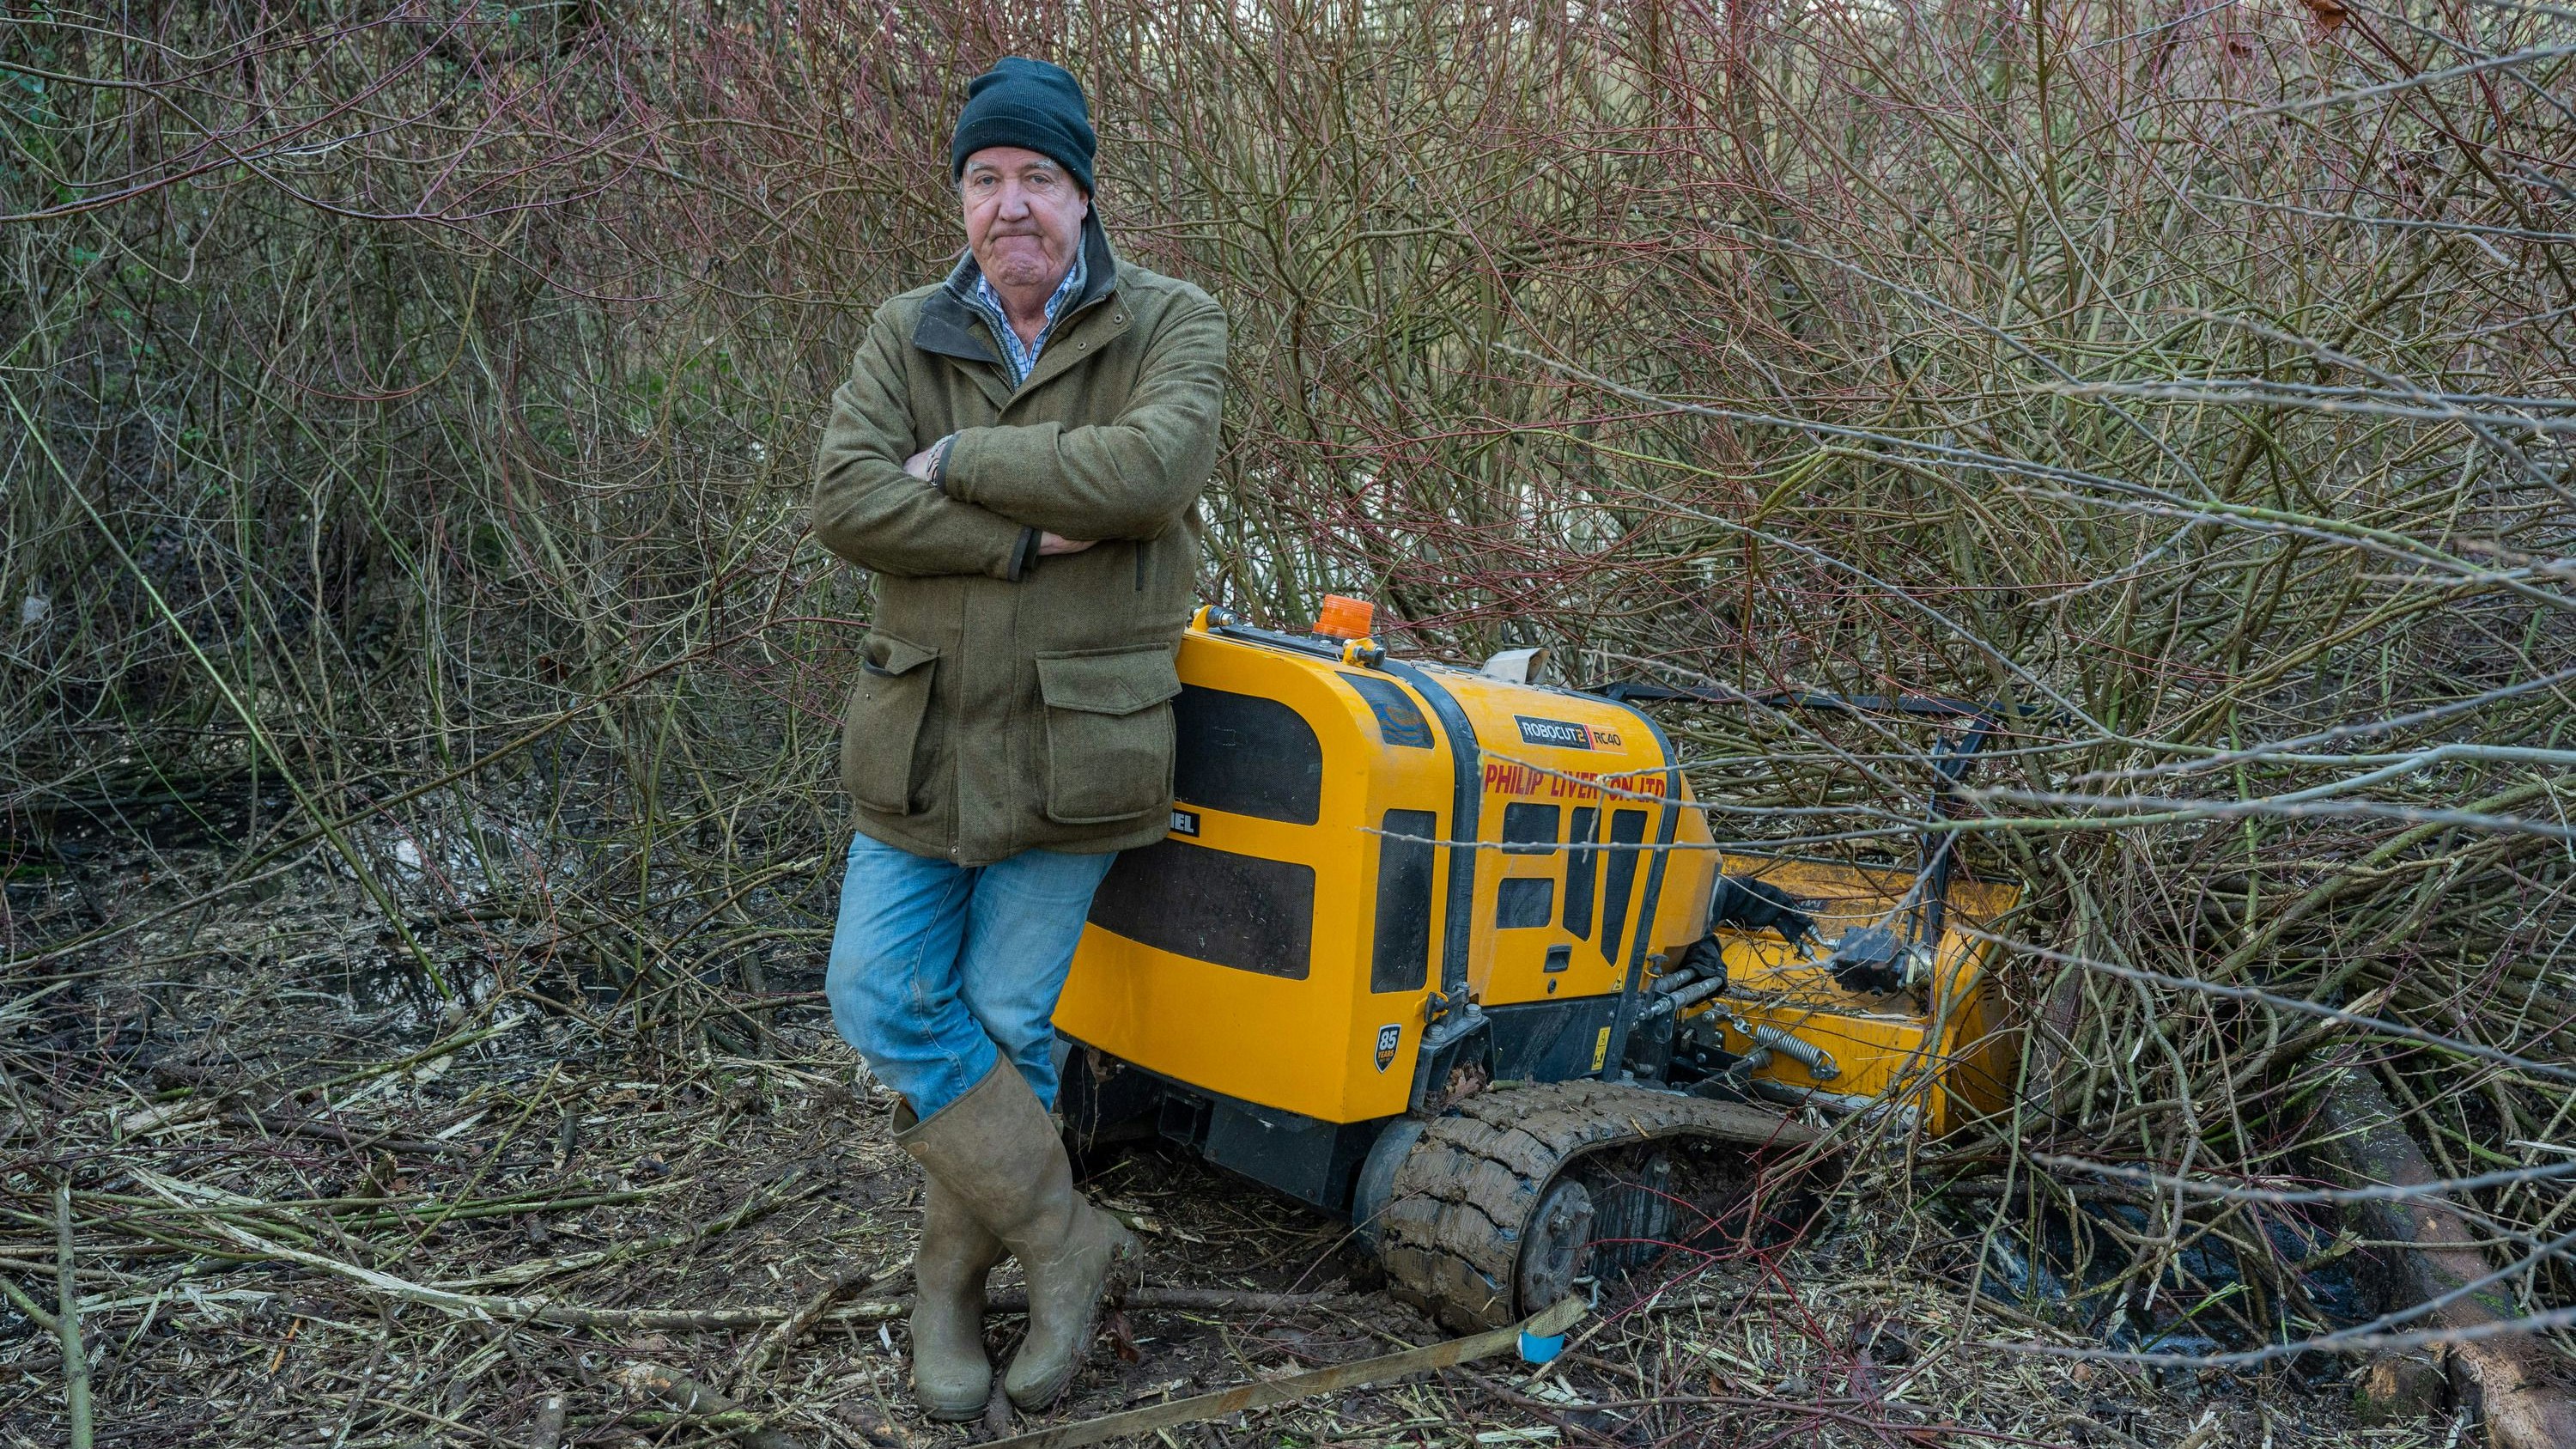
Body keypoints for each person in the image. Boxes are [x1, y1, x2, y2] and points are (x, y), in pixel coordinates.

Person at [808, 57, 1227, 1419]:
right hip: (922, 740)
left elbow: (1153, 473)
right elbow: (849, 503)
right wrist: (1038, 533)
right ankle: (1065, 1243)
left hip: (1076, 752)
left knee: (1004, 1023)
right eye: (985, 180)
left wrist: (967, 461)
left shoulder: (1173, 321)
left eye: (1037, 177)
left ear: (1085, 193)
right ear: (962, 201)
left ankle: (946, 1289)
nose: (1011, 206)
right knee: (875, 993)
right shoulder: (903, 331)